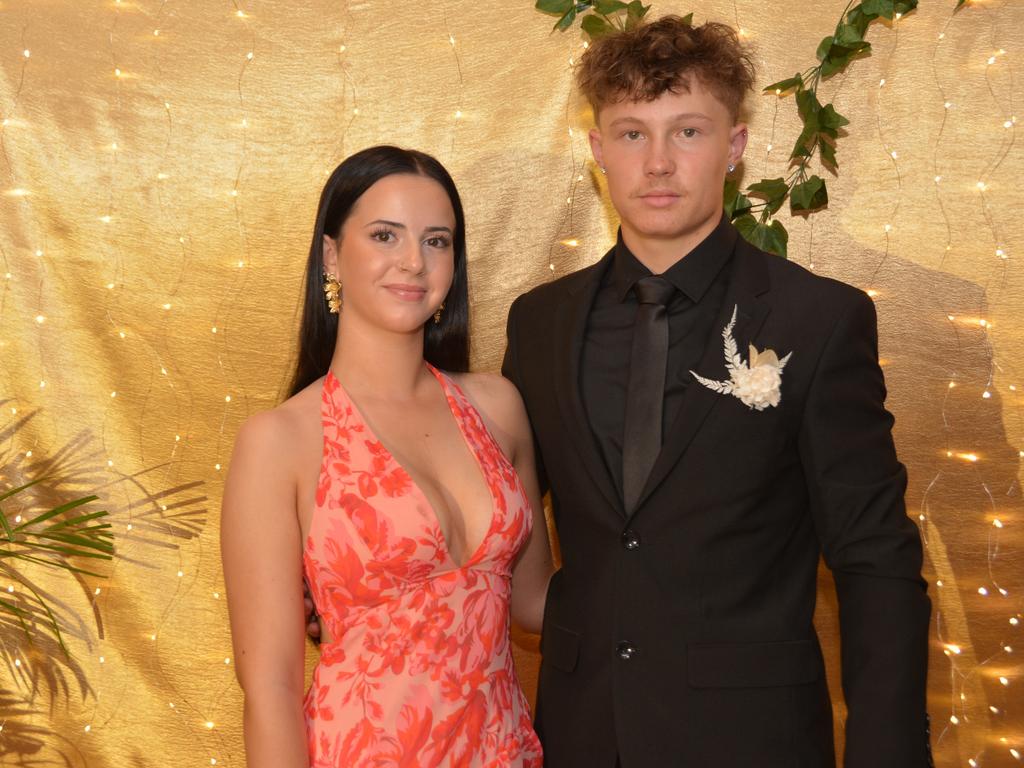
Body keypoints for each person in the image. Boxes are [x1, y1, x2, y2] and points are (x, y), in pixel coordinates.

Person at [500, 16, 932, 768]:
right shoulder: (539, 323)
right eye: (632, 134)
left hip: (753, 742)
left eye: (688, 132)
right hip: (577, 737)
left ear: (734, 148)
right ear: (598, 149)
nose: (658, 163)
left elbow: (876, 561)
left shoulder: (818, 320)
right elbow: (496, 515)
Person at [221, 145, 551, 767]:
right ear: (330, 255)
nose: (413, 262)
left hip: (504, 753)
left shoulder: (498, 408)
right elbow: (269, 688)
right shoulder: (282, 440)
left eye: (436, 241)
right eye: (384, 235)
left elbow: (535, 603)